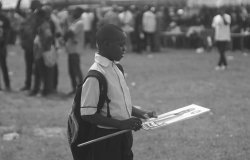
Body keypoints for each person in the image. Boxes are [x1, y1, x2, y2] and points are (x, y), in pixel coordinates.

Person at [80, 24, 157, 160]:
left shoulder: (117, 68)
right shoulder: (95, 75)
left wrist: (142, 113)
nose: (125, 49)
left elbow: (119, 104)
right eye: (121, 45)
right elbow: (87, 114)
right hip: (106, 139)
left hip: (124, 135)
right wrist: (121, 124)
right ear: (106, 44)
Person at [65, 7, 84, 95]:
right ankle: (74, 88)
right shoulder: (74, 22)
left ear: (79, 13)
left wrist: (67, 25)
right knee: (71, 71)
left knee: (76, 70)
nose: (73, 13)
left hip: (75, 50)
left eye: (75, 12)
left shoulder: (79, 23)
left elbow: (70, 33)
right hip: (71, 49)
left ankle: (81, 89)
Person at [0, 2, 11, 91]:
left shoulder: (4, 19)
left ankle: (7, 85)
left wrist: (4, 46)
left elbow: (7, 33)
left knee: (4, 66)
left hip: (1, 46)